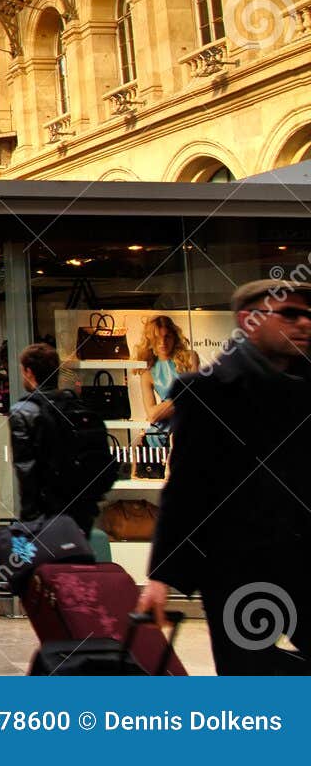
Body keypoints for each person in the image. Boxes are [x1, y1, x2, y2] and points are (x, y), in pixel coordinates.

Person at [138, 279, 311, 674]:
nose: (304, 323)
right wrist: (162, 576)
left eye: (308, 314)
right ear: (249, 320)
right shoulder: (208, 392)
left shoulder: (304, 389)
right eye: (290, 313)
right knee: (248, 674)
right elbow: (186, 488)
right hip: (238, 570)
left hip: (304, 559)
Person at [7, 342, 116, 535]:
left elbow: (26, 471)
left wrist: (28, 522)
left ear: (29, 372)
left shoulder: (23, 411)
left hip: (46, 515)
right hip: (82, 514)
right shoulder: (78, 406)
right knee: (74, 561)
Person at [135, 314, 198, 425]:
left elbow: (195, 398)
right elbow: (152, 415)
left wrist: (165, 408)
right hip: (160, 432)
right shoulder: (147, 372)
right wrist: (183, 400)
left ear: (174, 337)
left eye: (167, 336)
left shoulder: (190, 358)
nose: (162, 342)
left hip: (186, 424)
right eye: (157, 337)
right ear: (150, 340)